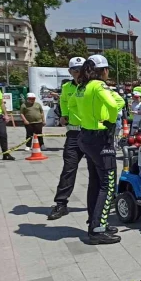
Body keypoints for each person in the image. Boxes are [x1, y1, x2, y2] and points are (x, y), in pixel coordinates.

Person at [72, 54, 122, 244]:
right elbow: (112, 104)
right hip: (100, 138)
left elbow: (73, 109)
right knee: (107, 184)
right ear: (104, 70)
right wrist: (109, 121)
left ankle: (95, 221)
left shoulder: (81, 86)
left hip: (85, 135)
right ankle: (97, 230)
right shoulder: (98, 85)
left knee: (95, 182)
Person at [49, 57, 86, 220]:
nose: (78, 73)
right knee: (68, 169)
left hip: (92, 134)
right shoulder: (66, 87)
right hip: (73, 134)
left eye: (81, 69)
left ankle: (106, 199)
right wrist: (64, 115)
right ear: (70, 72)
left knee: (100, 170)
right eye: (75, 70)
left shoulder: (92, 86)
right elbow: (64, 102)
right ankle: (61, 204)